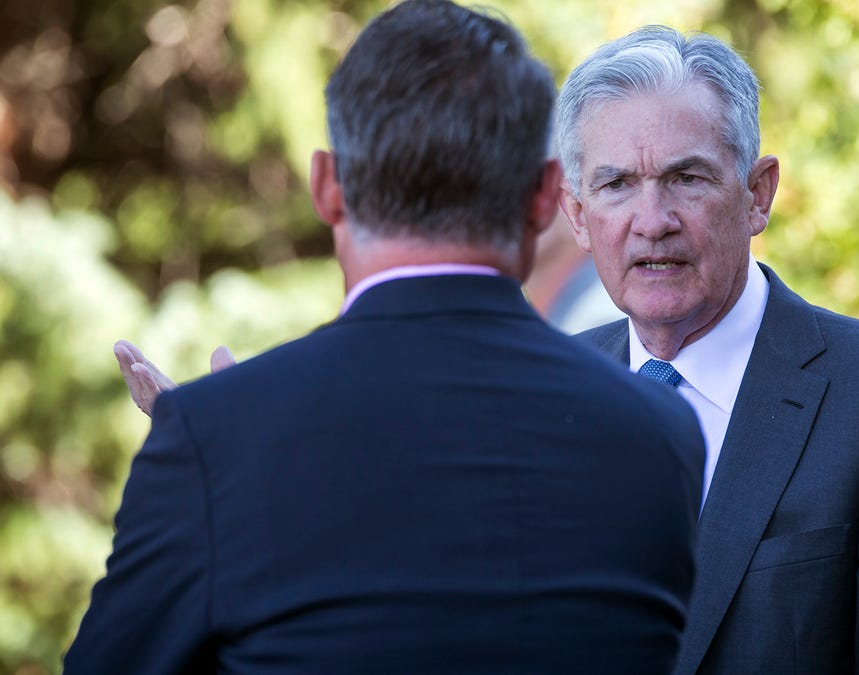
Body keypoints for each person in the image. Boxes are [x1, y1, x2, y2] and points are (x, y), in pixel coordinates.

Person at [67, 2, 705, 672]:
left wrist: (237, 457)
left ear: (327, 187)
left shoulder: (217, 441)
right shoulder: (660, 431)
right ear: (548, 195)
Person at [555, 26, 859, 675]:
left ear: (758, 193)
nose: (653, 219)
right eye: (616, 185)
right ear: (578, 214)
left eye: (686, 177)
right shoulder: (552, 394)